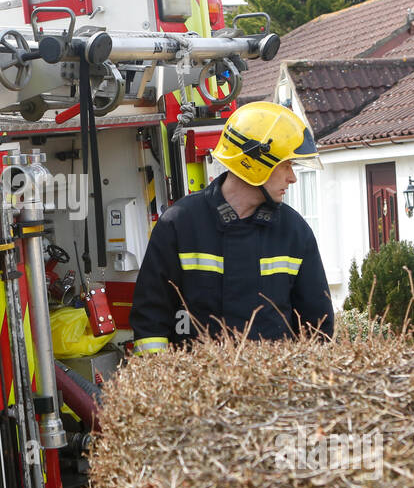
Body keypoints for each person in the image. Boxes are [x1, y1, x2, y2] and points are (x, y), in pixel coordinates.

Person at [129, 101, 334, 353]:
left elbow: (318, 329)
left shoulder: (294, 232)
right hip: (192, 388)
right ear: (255, 161)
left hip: (273, 388)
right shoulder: (179, 225)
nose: (292, 178)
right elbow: (150, 321)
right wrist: (159, 380)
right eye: (286, 165)